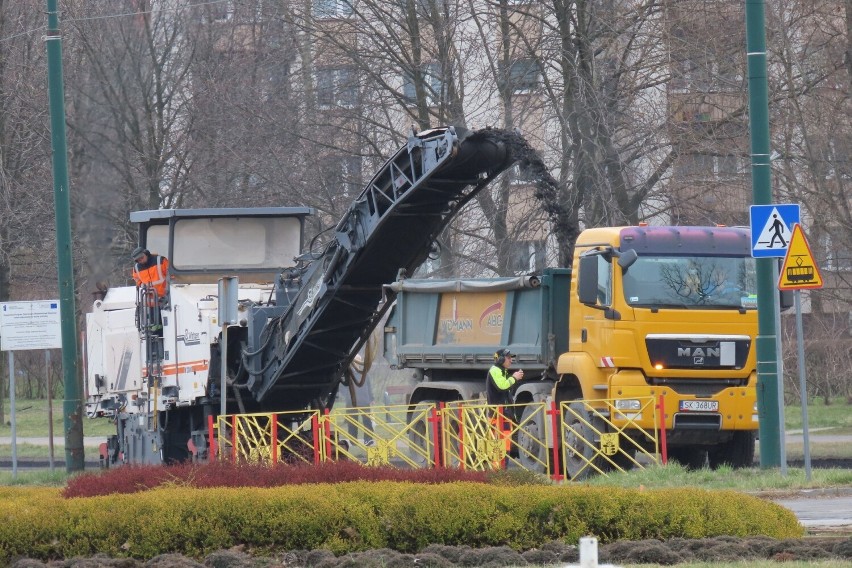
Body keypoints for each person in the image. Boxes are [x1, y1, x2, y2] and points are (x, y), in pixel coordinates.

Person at [131, 246, 170, 332]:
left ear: (146, 254)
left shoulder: (161, 260)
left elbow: (171, 276)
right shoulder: (136, 268)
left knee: (168, 327)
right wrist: (142, 285)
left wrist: (168, 293)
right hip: (151, 305)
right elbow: (137, 279)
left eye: (142, 258)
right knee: (156, 328)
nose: (141, 261)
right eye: (138, 260)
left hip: (166, 301)